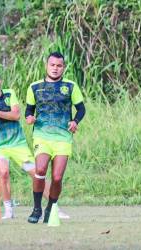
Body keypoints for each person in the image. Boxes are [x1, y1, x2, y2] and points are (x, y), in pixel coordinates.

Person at [0, 71, 69, 219]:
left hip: (18, 143)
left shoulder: (9, 94)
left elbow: (16, 115)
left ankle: (54, 208)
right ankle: (9, 210)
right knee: (3, 173)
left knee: (37, 175)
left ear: (0, 81)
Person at [26, 52, 86, 223]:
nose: (55, 68)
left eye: (59, 65)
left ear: (63, 67)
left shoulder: (70, 86)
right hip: (42, 136)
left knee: (57, 177)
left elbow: (81, 109)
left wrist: (75, 121)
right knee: (40, 170)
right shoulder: (35, 87)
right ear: (46, 66)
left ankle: (50, 208)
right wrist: (29, 118)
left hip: (63, 138)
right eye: (52, 65)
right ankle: (36, 209)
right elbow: (29, 110)